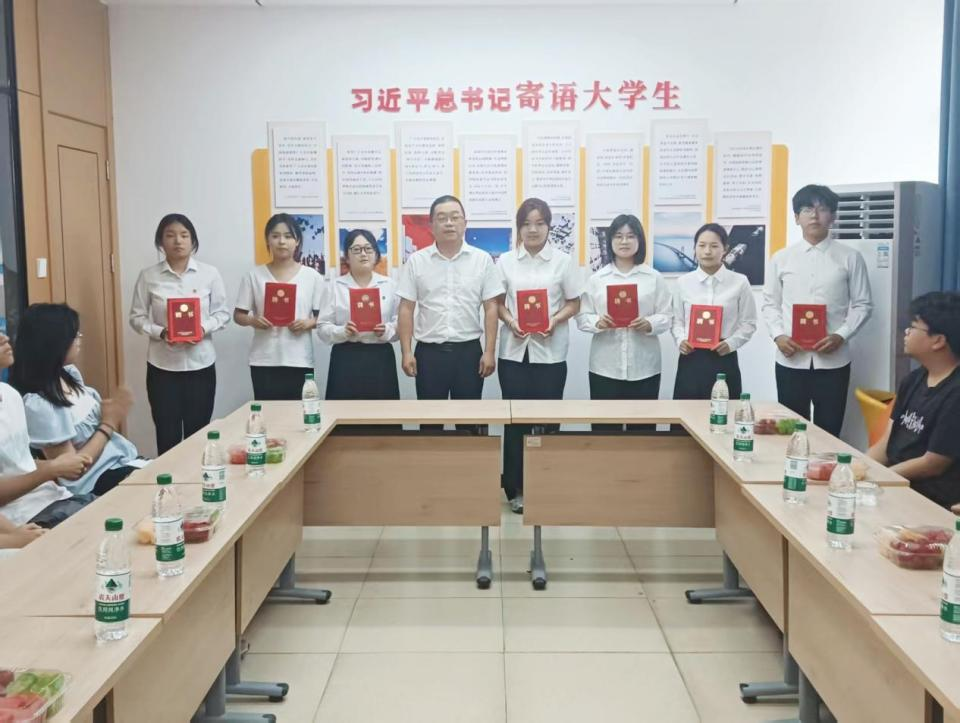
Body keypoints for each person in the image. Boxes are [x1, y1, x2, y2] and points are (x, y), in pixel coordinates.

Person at [762, 184, 872, 437]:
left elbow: (863, 304)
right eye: (807, 209)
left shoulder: (850, 257)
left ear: (832, 216)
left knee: (830, 431)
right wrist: (778, 336)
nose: (814, 215)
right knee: (790, 431)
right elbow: (770, 304)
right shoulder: (781, 258)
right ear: (796, 217)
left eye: (822, 209)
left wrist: (841, 335)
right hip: (791, 358)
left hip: (834, 360)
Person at [496, 198, 581, 512]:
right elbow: (497, 303)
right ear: (518, 227)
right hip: (513, 352)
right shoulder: (505, 261)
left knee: (548, 420)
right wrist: (511, 321)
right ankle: (515, 488)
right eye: (526, 224)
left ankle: (546, 484)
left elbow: (574, 303)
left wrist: (554, 320)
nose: (533, 230)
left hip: (550, 353)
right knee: (515, 421)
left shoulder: (563, 262)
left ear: (548, 226)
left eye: (539, 223)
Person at [397, 195, 503, 430]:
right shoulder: (416, 261)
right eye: (442, 218)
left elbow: (491, 308)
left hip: (469, 354)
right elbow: (406, 308)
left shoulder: (482, 260)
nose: (449, 223)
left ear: (465, 223)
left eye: (455, 217)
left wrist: (489, 352)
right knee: (430, 425)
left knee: (470, 425)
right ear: (431, 225)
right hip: (429, 355)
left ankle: (470, 456)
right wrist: (406, 352)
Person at [11, 304, 140, 496]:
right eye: (74, 335)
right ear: (55, 343)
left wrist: (110, 411)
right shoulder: (39, 405)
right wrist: (108, 423)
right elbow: (74, 470)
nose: (79, 338)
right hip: (93, 482)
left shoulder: (69, 374)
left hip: (121, 461)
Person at [129, 213, 230, 454]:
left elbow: (222, 314)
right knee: (167, 433)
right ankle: (169, 478)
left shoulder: (210, 274)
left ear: (193, 241)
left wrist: (202, 329)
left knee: (199, 433)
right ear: (160, 242)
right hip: (162, 367)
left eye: (184, 235)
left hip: (201, 365)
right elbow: (136, 317)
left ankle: (199, 475)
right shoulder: (148, 276)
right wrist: (161, 332)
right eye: (170, 235)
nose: (178, 241)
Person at [578, 214, 671, 432]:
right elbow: (582, 317)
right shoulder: (597, 279)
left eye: (631, 236)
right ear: (610, 240)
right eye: (618, 236)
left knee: (643, 433)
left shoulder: (653, 277)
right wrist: (598, 322)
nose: (624, 241)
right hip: (605, 367)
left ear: (640, 240)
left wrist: (649, 324)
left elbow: (667, 316)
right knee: (604, 433)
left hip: (644, 367)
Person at [867, 292, 960, 508]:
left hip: (930, 497)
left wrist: (879, 480)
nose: (906, 332)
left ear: (938, 341)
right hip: (894, 483)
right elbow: (887, 442)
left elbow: (932, 463)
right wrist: (860, 469)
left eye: (913, 326)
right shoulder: (914, 379)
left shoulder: (955, 393)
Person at [0, 330, 94, 530]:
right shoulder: (36, 402)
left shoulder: (9, 395)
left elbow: (18, 464)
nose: (4, 338)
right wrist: (51, 469)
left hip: (54, 499)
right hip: (22, 518)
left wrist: (56, 465)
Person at [234, 213, 324, 400]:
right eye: (275, 236)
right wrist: (253, 320)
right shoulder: (254, 276)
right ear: (268, 240)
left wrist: (308, 323)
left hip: (299, 359)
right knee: (268, 412)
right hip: (264, 359)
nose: (282, 241)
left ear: (297, 241)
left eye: (288, 236)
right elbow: (238, 315)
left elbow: (323, 317)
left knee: (299, 412)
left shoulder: (312, 276)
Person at [672, 223, 757, 399]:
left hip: (724, 354)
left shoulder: (740, 282)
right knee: (686, 411)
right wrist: (680, 340)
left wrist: (732, 343)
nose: (707, 251)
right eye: (702, 245)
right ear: (694, 248)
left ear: (725, 249)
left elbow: (749, 323)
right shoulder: (683, 283)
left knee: (725, 411)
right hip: (691, 356)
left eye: (714, 246)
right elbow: (676, 320)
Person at [317, 229, 400, 401]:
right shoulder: (335, 286)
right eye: (356, 249)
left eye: (368, 249)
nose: (363, 254)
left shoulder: (390, 285)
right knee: (344, 412)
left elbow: (400, 323)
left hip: (380, 357)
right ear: (347, 257)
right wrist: (342, 331)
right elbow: (322, 327)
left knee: (383, 413)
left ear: (376, 254)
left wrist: (386, 330)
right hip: (345, 357)